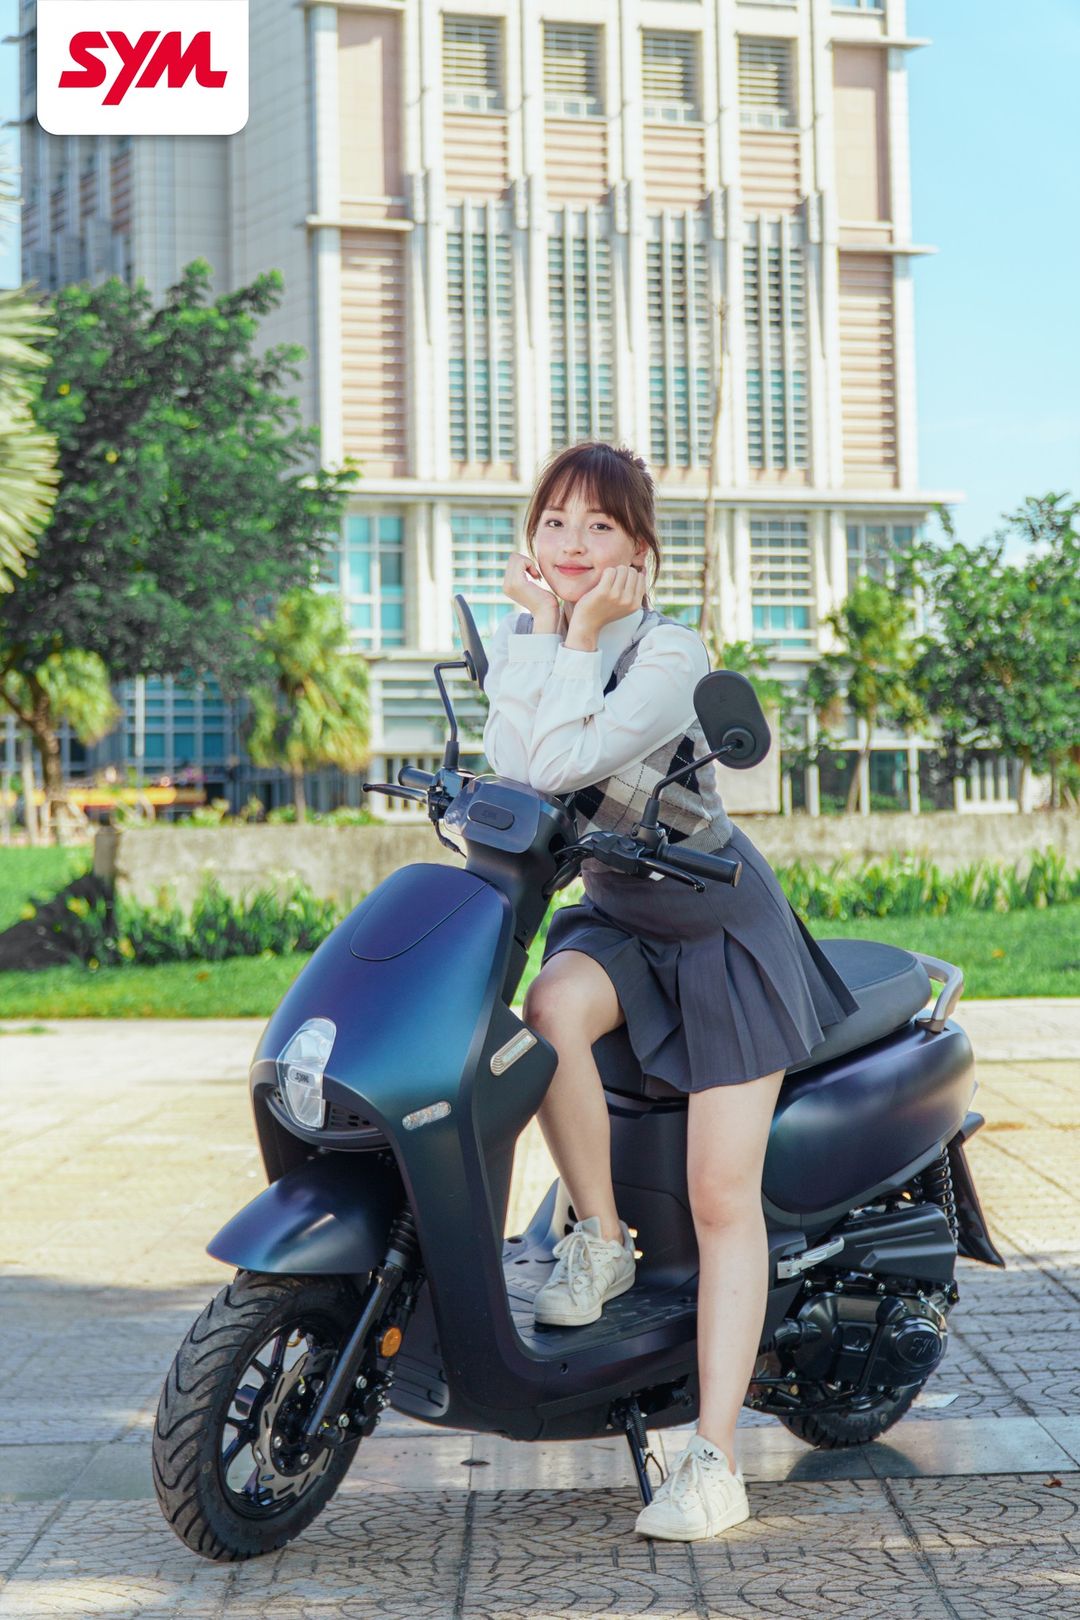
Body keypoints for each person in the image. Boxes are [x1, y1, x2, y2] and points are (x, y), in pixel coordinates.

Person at [481, 441, 860, 1543]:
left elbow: (560, 764)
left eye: (599, 526)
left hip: (717, 927)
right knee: (547, 1013)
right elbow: (512, 763)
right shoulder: (532, 634)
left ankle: (714, 1458)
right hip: (618, 918)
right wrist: (545, 634)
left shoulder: (670, 651)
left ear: (639, 549)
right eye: (555, 522)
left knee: (718, 1195)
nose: (571, 544)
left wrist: (570, 635)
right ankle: (600, 1237)